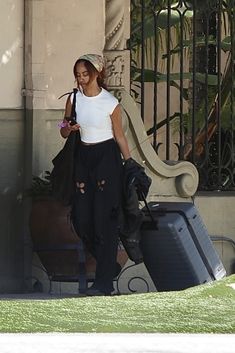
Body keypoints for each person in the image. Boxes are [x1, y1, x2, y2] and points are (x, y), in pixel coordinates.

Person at [60, 54, 131, 296]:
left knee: (105, 220)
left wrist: (129, 163)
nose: (81, 79)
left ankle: (103, 283)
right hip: (83, 157)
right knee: (81, 218)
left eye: (85, 74)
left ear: (97, 73)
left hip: (107, 159)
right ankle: (108, 265)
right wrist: (68, 128)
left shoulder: (110, 102)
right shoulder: (73, 99)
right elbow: (62, 129)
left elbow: (119, 135)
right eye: (78, 74)